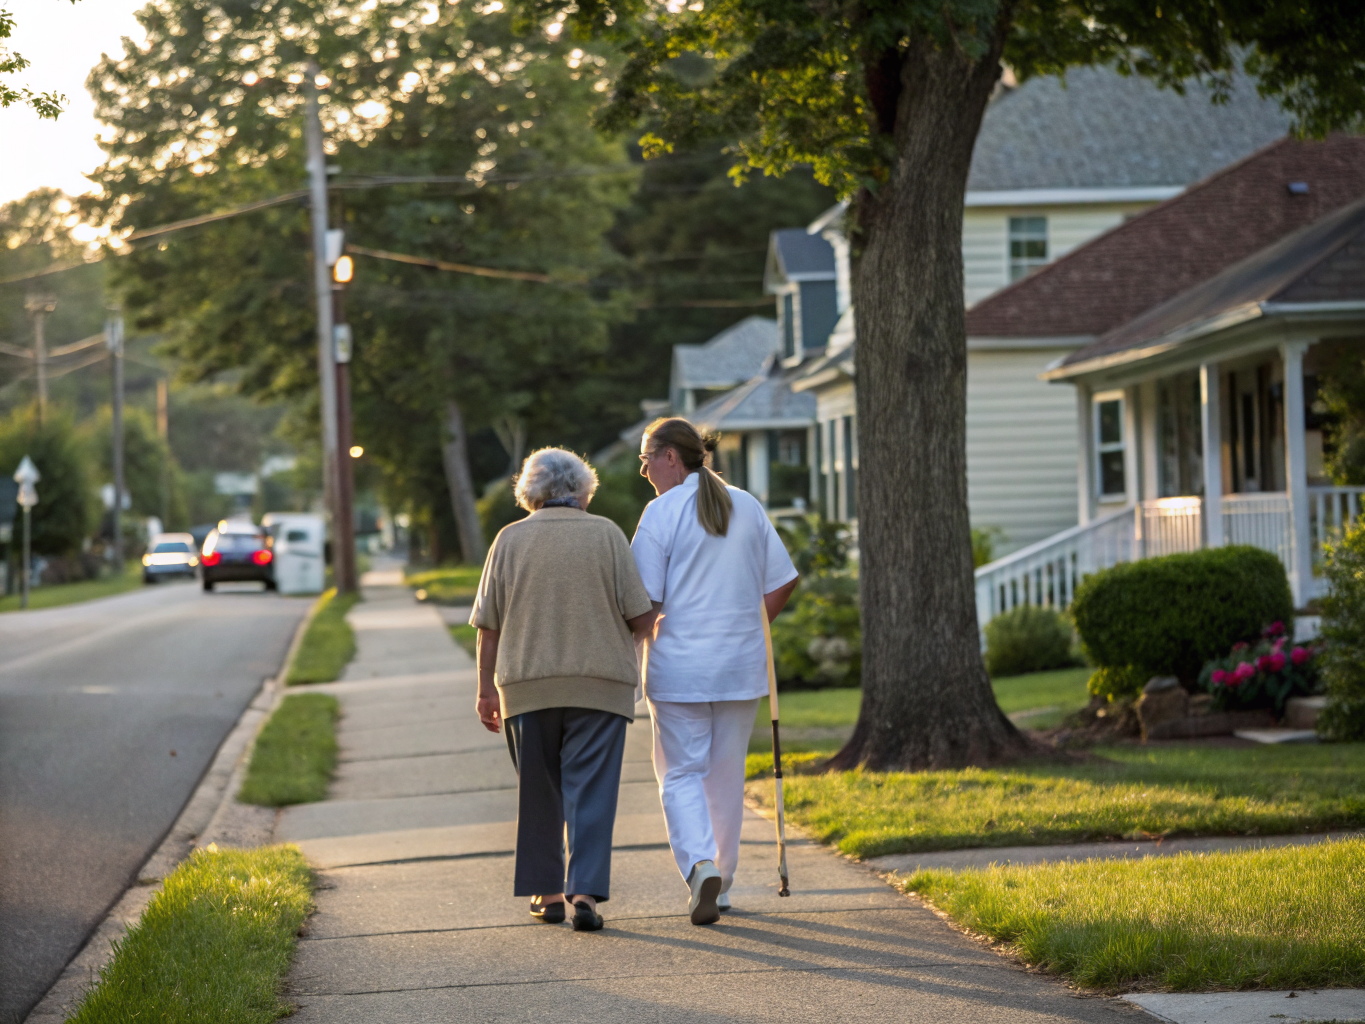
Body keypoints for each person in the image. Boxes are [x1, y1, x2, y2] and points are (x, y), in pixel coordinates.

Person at [470, 447, 656, 932]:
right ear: (583, 490)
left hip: (526, 686)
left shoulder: (508, 539)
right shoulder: (607, 534)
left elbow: (488, 626)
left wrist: (485, 691)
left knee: (539, 792)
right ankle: (585, 893)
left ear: (529, 492)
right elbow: (640, 616)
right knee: (592, 793)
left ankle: (547, 893)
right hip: (601, 687)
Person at [631, 417, 799, 925]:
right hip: (739, 664)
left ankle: (700, 865)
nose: (643, 470)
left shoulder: (661, 513)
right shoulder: (745, 504)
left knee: (680, 772)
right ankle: (721, 883)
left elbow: (644, 602)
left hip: (678, 666)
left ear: (670, 457)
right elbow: (783, 581)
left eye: (646, 458)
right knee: (725, 776)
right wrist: (746, 625)